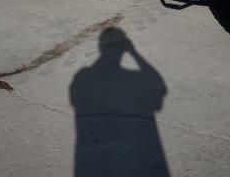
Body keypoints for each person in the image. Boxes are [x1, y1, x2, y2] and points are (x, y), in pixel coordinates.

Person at [70, 27, 169, 176]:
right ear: (123, 49)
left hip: (89, 160)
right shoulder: (132, 79)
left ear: (100, 47)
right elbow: (157, 87)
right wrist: (134, 53)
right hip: (137, 156)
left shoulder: (82, 77)